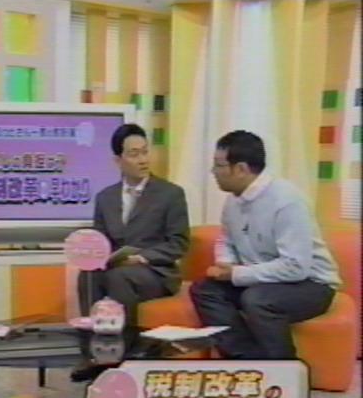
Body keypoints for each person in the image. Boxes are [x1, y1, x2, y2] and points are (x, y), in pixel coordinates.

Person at [189, 130, 341, 359]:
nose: (213, 172)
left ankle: (285, 369)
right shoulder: (233, 201)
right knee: (206, 290)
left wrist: (237, 274)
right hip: (261, 279)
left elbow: (295, 267)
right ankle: (246, 360)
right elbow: (226, 239)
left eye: (219, 165)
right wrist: (225, 263)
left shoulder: (286, 201)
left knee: (258, 300)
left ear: (241, 169)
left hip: (310, 284)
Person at [73, 124, 190, 381]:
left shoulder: (171, 194)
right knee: (88, 274)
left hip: (156, 272)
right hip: (117, 267)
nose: (143, 159)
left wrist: (142, 257)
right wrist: (92, 254)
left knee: (119, 278)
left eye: (145, 152)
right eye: (134, 154)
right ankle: (92, 354)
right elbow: (100, 240)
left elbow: (178, 243)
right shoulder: (105, 198)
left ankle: (122, 356)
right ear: (118, 160)